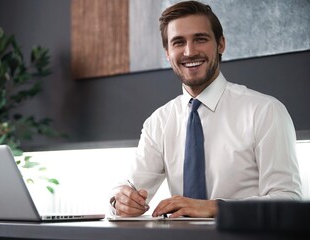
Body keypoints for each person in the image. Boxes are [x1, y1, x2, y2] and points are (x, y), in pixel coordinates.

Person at [110, 0, 302, 218]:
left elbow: (289, 201)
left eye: (200, 39)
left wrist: (215, 208)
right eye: (178, 42)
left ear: (221, 44)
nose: (189, 52)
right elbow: (129, 193)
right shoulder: (158, 123)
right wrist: (121, 200)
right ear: (167, 53)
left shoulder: (265, 111)